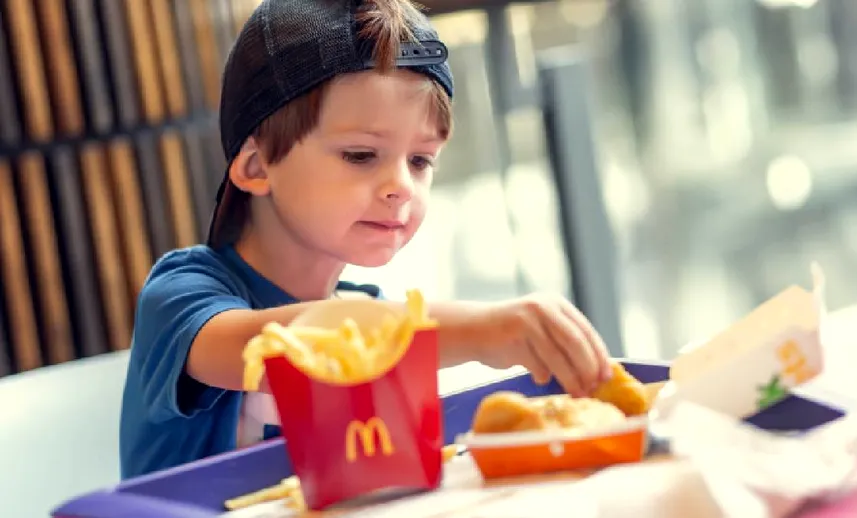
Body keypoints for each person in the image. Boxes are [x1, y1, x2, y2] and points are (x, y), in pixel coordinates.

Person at [119, 0, 612, 479]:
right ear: (256, 165)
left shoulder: (373, 313)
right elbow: (292, 346)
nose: (401, 185)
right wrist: (482, 329)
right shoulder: (181, 298)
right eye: (360, 155)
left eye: (420, 160)